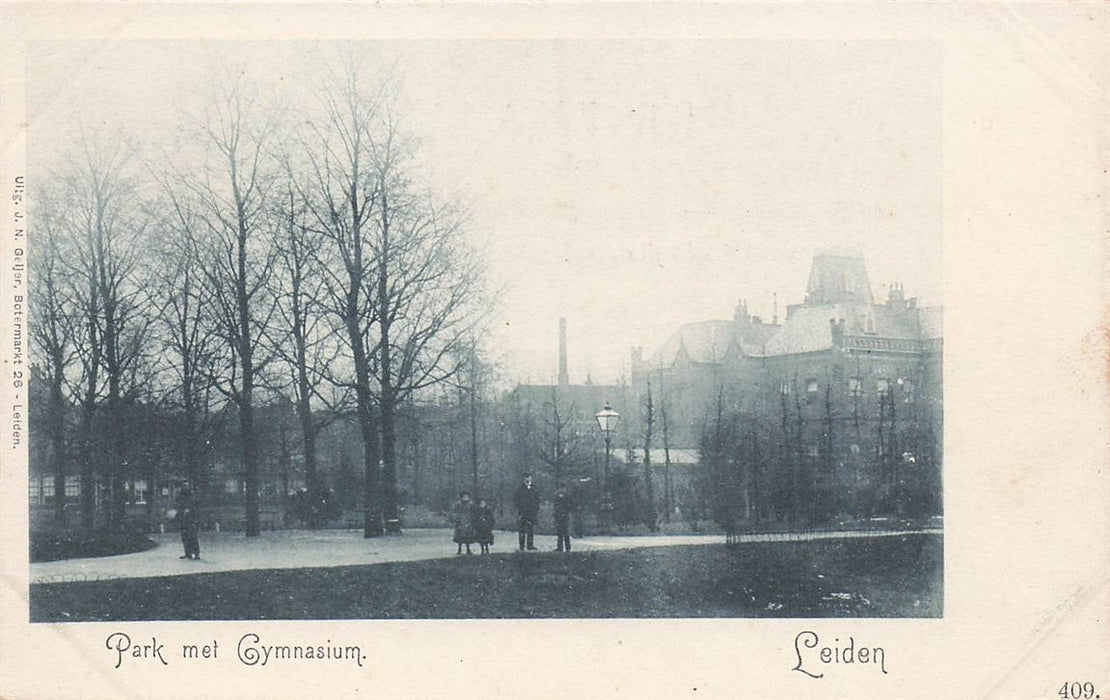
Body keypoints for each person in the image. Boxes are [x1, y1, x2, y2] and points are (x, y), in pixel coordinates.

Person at [513, 474, 540, 551]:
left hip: (531, 513)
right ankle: (522, 546)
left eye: (529, 478)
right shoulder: (520, 489)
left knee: (530, 529)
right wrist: (520, 509)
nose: (528, 480)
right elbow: (516, 500)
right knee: (522, 530)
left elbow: (537, 500)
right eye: (526, 478)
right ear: (523, 479)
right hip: (523, 512)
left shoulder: (534, 488)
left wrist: (535, 509)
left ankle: (530, 545)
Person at [176, 485, 200, 560]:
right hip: (184, 522)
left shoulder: (191, 501)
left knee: (192, 537)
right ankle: (188, 553)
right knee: (185, 537)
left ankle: (196, 554)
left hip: (190, 522)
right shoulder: (182, 501)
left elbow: (194, 510)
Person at [553, 486, 572, 553]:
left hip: (560, 515)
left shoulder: (557, 493)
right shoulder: (567, 494)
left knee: (561, 532)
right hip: (564, 515)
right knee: (565, 532)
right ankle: (567, 547)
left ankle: (561, 547)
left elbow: (555, 505)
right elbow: (569, 505)